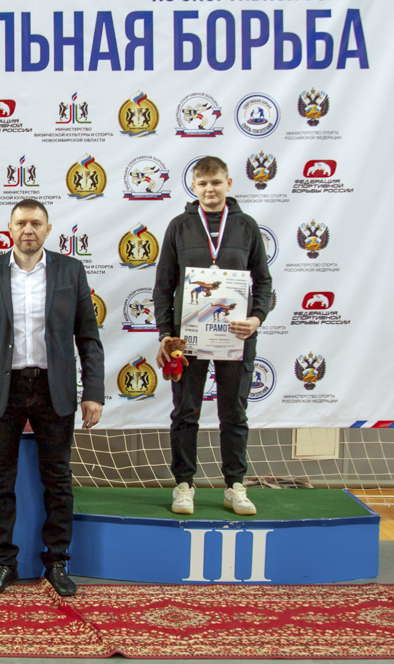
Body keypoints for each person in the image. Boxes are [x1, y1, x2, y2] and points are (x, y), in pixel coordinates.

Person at [0, 199, 104, 599]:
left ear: (48, 228)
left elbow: (88, 338)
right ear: (9, 228)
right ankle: (3, 564)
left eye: (36, 223)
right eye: (21, 223)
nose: (28, 230)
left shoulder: (70, 271)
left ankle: (56, 562)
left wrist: (93, 392)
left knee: (57, 480)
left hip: (53, 390)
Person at [153, 156, 272, 516]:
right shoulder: (179, 226)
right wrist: (165, 334)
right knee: (185, 412)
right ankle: (183, 485)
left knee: (233, 413)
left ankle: (235, 486)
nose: (210, 189)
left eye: (216, 182)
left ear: (228, 184)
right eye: (203, 183)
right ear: (194, 186)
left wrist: (256, 319)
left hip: (235, 337)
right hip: (187, 340)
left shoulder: (247, 226)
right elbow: (164, 285)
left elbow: (263, 282)